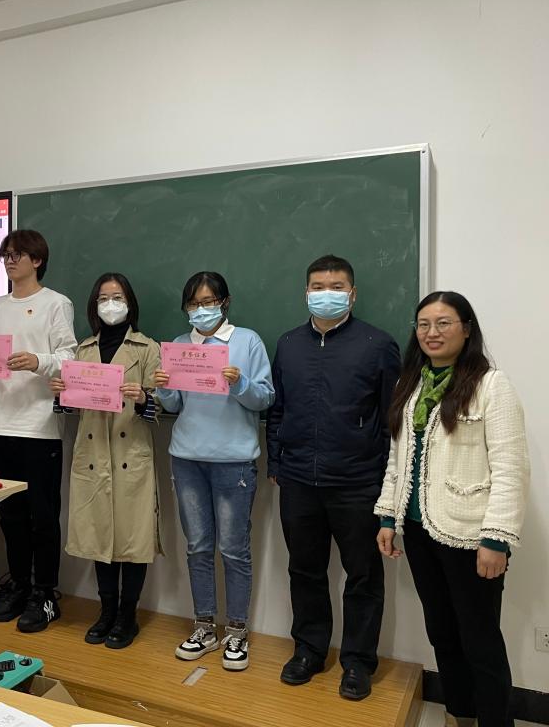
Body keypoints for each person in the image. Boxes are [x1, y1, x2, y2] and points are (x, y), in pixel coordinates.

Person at [375, 292, 529, 727]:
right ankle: (459, 715)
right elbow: (397, 459)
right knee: (441, 632)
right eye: (424, 324)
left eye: (443, 323)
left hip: (470, 535)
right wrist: (388, 517)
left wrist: (496, 539)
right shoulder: (411, 385)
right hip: (418, 530)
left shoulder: (491, 385)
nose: (432, 333)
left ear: (466, 329)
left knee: (480, 640)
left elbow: (511, 468)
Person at [266, 255, 400, 700]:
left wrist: (385, 482)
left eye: (337, 286)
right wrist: (277, 463)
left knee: (363, 576)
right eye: (319, 286)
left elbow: (392, 420)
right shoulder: (288, 344)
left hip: (358, 483)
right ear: (306, 292)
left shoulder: (378, 344)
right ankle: (308, 650)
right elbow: (277, 409)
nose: (327, 293)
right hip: (298, 481)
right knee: (304, 570)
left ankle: (358, 663)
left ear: (352, 294)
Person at [0, 229, 77, 633]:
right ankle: (19, 585)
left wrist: (38, 361)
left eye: (17, 255)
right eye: (5, 255)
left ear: (37, 260)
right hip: (0, 422)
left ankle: (45, 593)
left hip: (40, 425)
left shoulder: (56, 303)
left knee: (43, 516)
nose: (10, 261)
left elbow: (69, 356)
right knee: (11, 516)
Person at [155, 272, 274, 670]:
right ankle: (204, 626)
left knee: (234, 550)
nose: (201, 310)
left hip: (234, 461)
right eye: (194, 303)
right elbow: (174, 405)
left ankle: (236, 631)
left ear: (225, 302)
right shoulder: (178, 345)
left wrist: (239, 383)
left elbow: (265, 398)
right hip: (187, 458)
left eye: (208, 302)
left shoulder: (247, 341)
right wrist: (163, 386)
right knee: (198, 547)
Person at [51, 272, 161, 650]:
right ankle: (106, 610)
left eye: (117, 297)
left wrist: (144, 398)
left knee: (132, 538)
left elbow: (163, 405)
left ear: (130, 303)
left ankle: (128, 615)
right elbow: (72, 407)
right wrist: (61, 394)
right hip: (93, 455)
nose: (110, 304)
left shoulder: (147, 348)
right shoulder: (83, 349)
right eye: (103, 298)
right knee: (100, 535)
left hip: (131, 454)